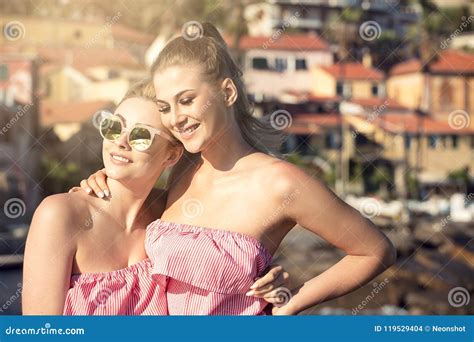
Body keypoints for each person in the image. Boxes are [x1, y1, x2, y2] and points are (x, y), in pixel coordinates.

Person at [76, 22, 397, 315]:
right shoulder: (182, 169)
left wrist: (292, 300)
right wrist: (106, 182)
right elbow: (131, 219)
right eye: (165, 106)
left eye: (187, 100)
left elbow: (374, 251)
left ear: (227, 92)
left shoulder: (281, 182)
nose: (175, 117)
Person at [23, 79, 287, 315]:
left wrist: (265, 282)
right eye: (114, 127)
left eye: (140, 135)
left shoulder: (174, 219)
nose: (121, 141)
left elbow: (228, 268)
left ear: (172, 155)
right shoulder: (60, 215)